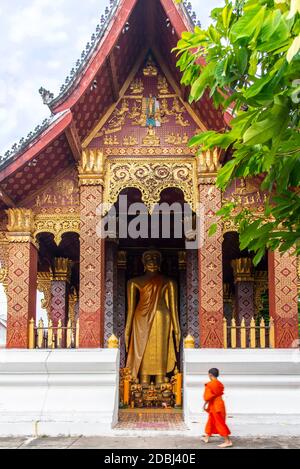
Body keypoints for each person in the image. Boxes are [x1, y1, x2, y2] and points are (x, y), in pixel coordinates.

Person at [202, 368, 232, 448]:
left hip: (215, 406)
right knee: (211, 420)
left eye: (208, 374)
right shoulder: (219, 384)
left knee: (220, 423)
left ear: (210, 374)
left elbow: (207, 397)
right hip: (219, 403)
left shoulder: (210, 384)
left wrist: (205, 403)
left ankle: (227, 441)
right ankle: (207, 437)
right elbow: (214, 395)